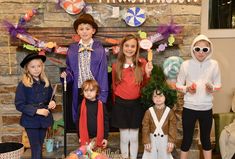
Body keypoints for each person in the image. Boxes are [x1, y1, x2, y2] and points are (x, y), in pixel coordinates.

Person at [176, 34, 221, 159]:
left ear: (209, 50)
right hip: (189, 108)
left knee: (206, 139)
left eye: (205, 49)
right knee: (187, 139)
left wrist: (212, 88)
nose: (201, 52)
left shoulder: (214, 64)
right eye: (197, 49)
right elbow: (178, 85)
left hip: (206, 108)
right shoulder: (185, 65)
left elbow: (218, 85)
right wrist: (187, 89)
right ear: (193, 49)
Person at [60, 13, 108, 126]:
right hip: (79, 89)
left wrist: (102, 95)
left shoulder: (99, 49)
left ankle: (95, 142)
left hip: (94, 90)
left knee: (94, 120)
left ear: (93, 30)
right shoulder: (72, 49)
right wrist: (66, 74)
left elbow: (103, 73)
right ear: (77, 31)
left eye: (87, 29)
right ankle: (82, 141)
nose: (84, 31)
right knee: (80, 119)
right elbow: (70, 69)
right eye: (81, 29)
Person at [111, 34, 153, 159]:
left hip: (136, 105)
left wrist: (147, 74)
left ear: (137, 48)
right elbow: (114, 85)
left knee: (134, 137)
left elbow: (145, 85)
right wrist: (115, 103)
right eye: (127, 46)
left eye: (133, 46)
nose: (129, 49)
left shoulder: (142, 63)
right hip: (120, 105)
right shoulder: (116, 66)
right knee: (124, 137)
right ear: (122, 47)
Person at [15, 53, 56, 159]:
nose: (36, 69)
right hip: (31, 120)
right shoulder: (23, 84)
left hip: (43, 120)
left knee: (39, 145)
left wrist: (52, 103)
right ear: (27, 68)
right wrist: (37, 111)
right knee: (36, 147)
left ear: (42, 67)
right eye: (33, 66)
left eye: (39, 66)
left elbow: (51, 98)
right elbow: (19, 104)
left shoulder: (46, 82)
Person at [142, 88, 176, 159]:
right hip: (151, 139)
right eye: (155, 96)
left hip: (165, 139)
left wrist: (171, 141)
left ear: (165, 97)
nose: (158, 98)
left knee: (165, 156)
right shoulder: (148, 112)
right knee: (149, 156)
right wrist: (146, 141)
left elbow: (172, 127)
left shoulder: (170, 112)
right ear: (152, 98)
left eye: (160, 96)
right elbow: (145, 127)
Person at [78, 79, 109, 148]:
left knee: (98, 156)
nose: (88, 93)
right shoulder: (81, 106)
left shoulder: (101, 105)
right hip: (85, 137)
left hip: (98, 137)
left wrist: (105, 137)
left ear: (97, 91)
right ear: (83, 92)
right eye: (86, 90)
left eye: (91, 90)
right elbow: (78, 122)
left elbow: (106, 122)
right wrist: (79, 136)